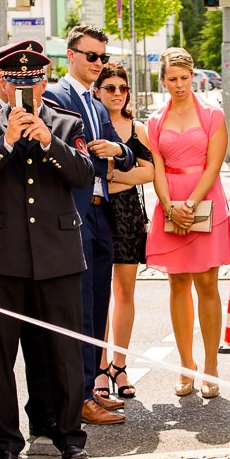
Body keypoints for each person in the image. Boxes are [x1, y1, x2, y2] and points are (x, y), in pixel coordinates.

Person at [0, 39, 97, 459]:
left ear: (45, 81)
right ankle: (3, 438)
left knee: (63, 350)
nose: (27, 91)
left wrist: (48, 141)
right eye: (18, 83)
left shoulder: (67, 121)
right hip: (0, 258)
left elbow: (83, 175)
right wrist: (7, 140)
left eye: (34, 82)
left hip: (56, 255)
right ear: (2, 80)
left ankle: (68, 433)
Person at [44, 26, 135, 410]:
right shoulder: (53, 96)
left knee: (98, 305)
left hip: (102, 214)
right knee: (78, 307)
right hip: (71, 215)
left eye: (102, 56)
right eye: (91, 56)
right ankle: (78, 396)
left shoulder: (98, 104)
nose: (98, 63)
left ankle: (92, 387)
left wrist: (115, 148)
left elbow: (128, 154)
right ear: (71, 55)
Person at [146, 46, 230, 399]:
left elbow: (214, 165)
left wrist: (191, 205)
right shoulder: (154, 121)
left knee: (207, 284)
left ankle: (211, 364)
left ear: (193, 75)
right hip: (171, 202)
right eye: (172, 79)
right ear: (164, 80)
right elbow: (156, 168)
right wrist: (170, 208)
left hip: (205, 199)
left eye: (185, 78)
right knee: (177, 284)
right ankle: (186, 365)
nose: (180, 84)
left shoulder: (213, 115)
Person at [95, 62, 152, 397]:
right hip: (98, 212)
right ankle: (100, 367)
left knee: (125, 293)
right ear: (98, 90)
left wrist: (113, 175)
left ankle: (120, 365)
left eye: (122, 88)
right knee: (99, 292)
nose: (117, 94)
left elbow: (149, 172)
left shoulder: (136, 128)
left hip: (128, 212)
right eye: (110, 88)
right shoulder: (90, 122)